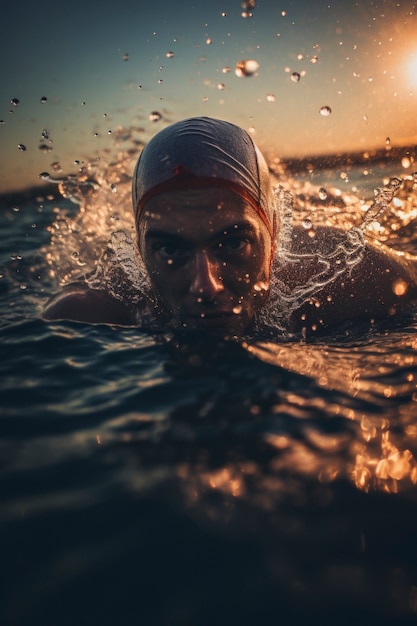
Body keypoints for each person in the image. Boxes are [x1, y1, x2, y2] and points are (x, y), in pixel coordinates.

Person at [43, 116, 417, 336]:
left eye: (234, 243)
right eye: (171, 249)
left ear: (271, 233)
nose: (205, 286)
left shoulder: (365, 277)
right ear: (140, 249)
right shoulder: (86, 314)